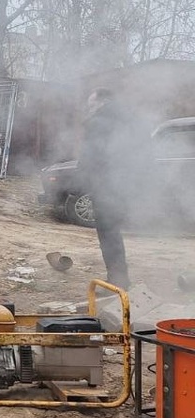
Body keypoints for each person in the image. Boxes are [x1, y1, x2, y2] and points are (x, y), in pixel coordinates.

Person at [78, 87, 143, 289]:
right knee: (113, 232)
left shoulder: (99, 123)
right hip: (120, 183)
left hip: (104, 185)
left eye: (91, 104)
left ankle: (117, 281)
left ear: (103, 102)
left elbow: (92, 155)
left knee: (108, 234)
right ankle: (119, 277)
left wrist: (84, 176)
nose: (89, 108)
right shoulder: (127, 120)